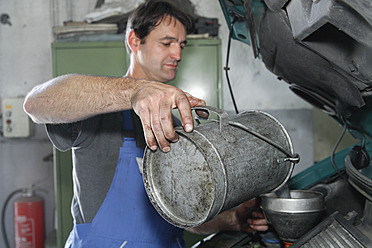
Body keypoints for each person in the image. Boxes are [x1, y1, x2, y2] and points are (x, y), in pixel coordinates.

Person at [24, 1, 268, 247]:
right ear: (134, 41)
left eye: (182, 45)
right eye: (166, 43)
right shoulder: (98, 111)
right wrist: (135, 91)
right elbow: (35, 103)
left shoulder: (173, 124)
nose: (178, 54)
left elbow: (182, 216)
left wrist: (233, 220)